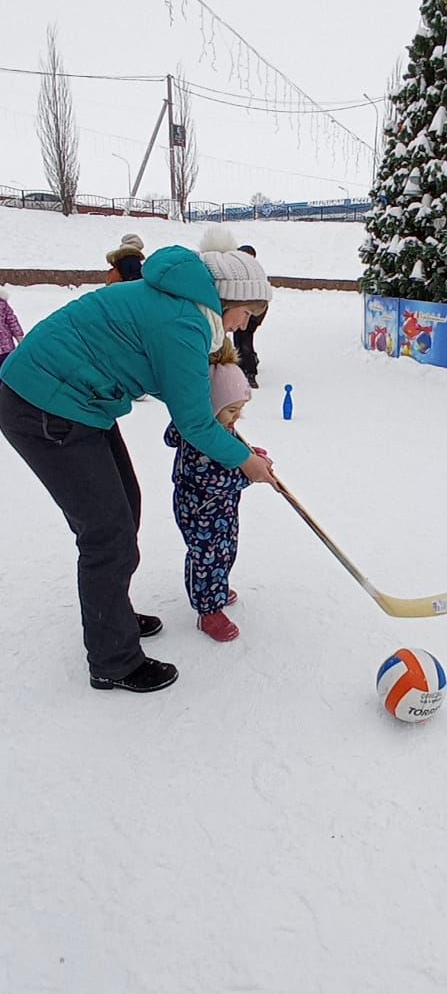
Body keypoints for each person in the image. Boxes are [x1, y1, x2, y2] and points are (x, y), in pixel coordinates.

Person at [0, 227, 277, 694]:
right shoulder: (183, 321)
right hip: (44, 405)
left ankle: (114, 615)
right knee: (108, 532)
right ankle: (113, 660)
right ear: (229, 298)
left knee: (125, 508)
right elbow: (193, 423)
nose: (242, 327)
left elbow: (175, 386)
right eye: (247, 314)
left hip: (79, 402)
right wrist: (245, 461)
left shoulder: (178, 305)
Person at [165, 356, 269, 642]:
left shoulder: (218, 427)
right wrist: (250, 474)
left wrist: (250, 456)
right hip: (201, 511)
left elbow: (232, 448)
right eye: (231, 409)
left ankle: (216, 588)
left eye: (241, 409)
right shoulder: (199, 442)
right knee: (206, 559)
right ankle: (208, 610)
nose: (236, 416)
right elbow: (216, 479)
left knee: (224, 552)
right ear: (210, 407)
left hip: (221, 510)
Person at [232, 244, 267, 387]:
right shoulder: (236, 271)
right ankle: (242, 367)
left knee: (245, 341)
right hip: (239, 310)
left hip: (253, 312)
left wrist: (254, 316)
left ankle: (250, 372)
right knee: (238, 341)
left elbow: (262, 296)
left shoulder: (255, 272)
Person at [0, 287, 24, 367]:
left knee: (6, 368)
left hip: (6, 346)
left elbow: (12, 320)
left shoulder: (2, 303)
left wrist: (19, 336)